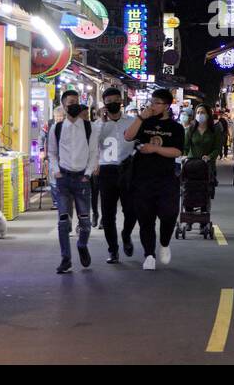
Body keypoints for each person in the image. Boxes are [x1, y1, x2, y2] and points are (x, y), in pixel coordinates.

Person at [124, 88, 185, 270]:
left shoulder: (176, 128)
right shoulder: (144, 122)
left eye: (156, 103)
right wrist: (141, 117)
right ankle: (148, 254)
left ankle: (164, 243)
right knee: (146, 219)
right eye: (151, 102)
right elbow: (128, 136)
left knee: (169, 214)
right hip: (142, 178)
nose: (152, 106)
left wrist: (156, 149)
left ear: (166, 105)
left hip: (166, 178)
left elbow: (177, 151)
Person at [47, 90, 98, 273]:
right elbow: (51, 152)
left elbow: (93, 152)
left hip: (82, 179)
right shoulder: (57, 128)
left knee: (85, 221)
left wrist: (88, 173)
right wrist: (56, 171)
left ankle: (82, 245)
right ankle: (65, 258)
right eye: (70, 102)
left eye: (76, 101)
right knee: (63, 221)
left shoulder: (89, 127)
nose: (74, 104)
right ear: (63, 105)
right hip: (64, 179)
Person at [94, 86, 137, 263]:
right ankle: (113, 250)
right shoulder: (98, 125)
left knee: (131, 210)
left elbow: (139, 143)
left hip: (128, 171)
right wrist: (102, 121)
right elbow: (93, 145)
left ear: (121, 102)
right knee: (108, 214)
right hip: (107, 171)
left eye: (115, 101)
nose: (112, 104)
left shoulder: (131, 121)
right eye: (108, 102)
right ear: (104, 104)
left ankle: (126, 235)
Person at [185, 106, 223, 184]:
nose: (199, 114)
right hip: (192, 165)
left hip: (207, 166)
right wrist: (184, 156)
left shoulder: (214, 130)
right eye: (198, 112)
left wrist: (209, 156)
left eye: (202, 112)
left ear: (208, 115)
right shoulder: (191, 129)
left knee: (204, 192)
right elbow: (185, 146)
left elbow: (217, 148)